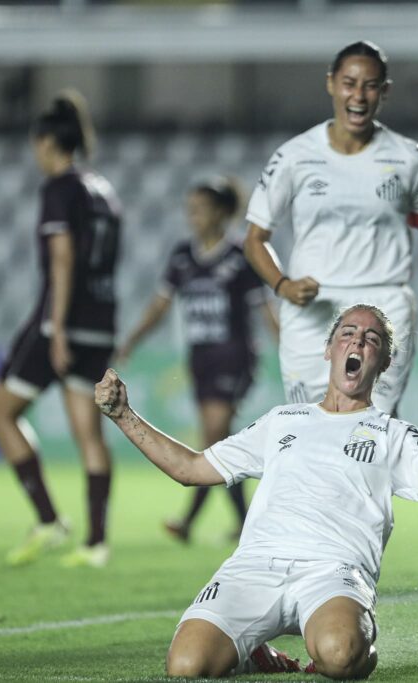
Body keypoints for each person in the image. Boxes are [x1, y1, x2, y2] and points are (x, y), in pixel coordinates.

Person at [95, 304, 418, 679]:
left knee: (339, 656)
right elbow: (190, 468)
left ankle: (362, 644)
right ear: (329, 351)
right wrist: (122, 414)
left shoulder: (394, 434)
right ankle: (256, 654)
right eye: (348, 334)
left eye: (372, 340)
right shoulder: (282, 420)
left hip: (332, 573)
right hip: (252, 569)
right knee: (185, 666)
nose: (358, 343)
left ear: (382, 364)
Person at [243, 40, 418, 416]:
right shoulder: (294, 156)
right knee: (306, 424)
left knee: (372, 423)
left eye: (370, 85)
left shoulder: (409, 158)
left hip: (384, 303)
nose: (358, 95)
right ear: (331, 84)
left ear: (384, 91)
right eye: (349, 83)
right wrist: (283, 285)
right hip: (311, 307)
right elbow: (255, 240)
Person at [0, 89, 122, 568]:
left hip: (59, 323)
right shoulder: (104, 190)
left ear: (46, 142)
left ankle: (48, 519)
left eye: (35, 144)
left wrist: (57, 328)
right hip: (101, 322)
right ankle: (96, 543)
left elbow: (62, 259)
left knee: (0, 413)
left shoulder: (59, 189)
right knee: (89, 433)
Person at [115, 177, 278, 544]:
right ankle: (247, 523)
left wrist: (287, 348)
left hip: (235, 358)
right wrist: (133, 340)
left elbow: (265, 311)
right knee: (217, 440)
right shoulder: (183, 256)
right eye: (190, 209)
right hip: (200, 359)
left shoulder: (240, 258)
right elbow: (160, 306)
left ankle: (191, 520)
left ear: (221, 213)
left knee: (213, 434)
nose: (193, 217)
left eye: (200, 209)